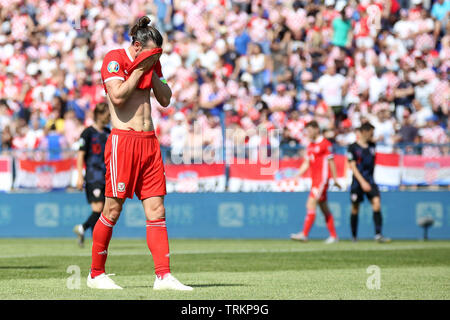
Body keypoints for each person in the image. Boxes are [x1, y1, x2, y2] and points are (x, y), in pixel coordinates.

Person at [88, 16, 192, 291]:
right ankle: (96, 274)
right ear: (136, 46)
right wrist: (138, 69)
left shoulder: (152, 62)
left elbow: (166, 98)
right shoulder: (114, 59)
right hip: (124, 140)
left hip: (150, 141)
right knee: (113, 208)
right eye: (152, 52)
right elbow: (118, 96)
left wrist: (153, 69)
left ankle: (163, 276)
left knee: (157, 209)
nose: (155, 57)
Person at [290, 120, 341, 244]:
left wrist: (334, 179)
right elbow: (306, 163)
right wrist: (297, 175)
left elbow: (331, 161)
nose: (308, 133)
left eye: (309, 131)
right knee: (324, 208)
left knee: (310, 203)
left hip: (322, 180)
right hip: (315, 180)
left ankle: (304, 234)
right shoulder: (310, 145)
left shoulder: (325, 143)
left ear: (316, 129)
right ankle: (334, 236)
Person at [73, 102, 111, 248]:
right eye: (107, 115)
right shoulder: (88, 132)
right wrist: (79, 175)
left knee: (103, 211)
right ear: (99, 115)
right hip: (93, 175)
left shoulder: (108, 133)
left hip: (106, 175)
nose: (108, 118)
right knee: (98, 208)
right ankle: (82, 228)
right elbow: (80, 155)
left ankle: (97, 241)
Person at [347, 122, 391, 243]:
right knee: (355, 208)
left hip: (370, 181)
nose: (372, 135)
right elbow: (353, 167)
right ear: (364, 132)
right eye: (371, 133)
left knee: (376, 203)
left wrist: (368, 181)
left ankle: (378, 234)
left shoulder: (372, 145)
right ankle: (354, 236)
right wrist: (362, 182)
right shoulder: (353, 147)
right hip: (357, 182)